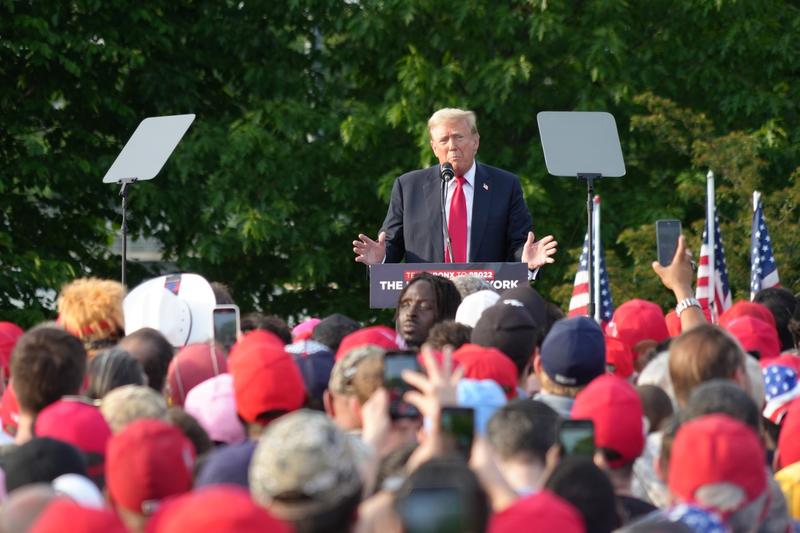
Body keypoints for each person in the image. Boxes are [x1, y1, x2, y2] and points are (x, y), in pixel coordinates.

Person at [353, 108, 557, 270]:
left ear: (475, 142)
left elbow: (518, 243)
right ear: (434, 148)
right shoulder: (408, 187)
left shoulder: (505, 185)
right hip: (427, 301)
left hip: (483, 300)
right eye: (443, 140)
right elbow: (392, 245)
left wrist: (525, 260)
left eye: (459, 137)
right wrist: (382, 258)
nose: (452, 146)